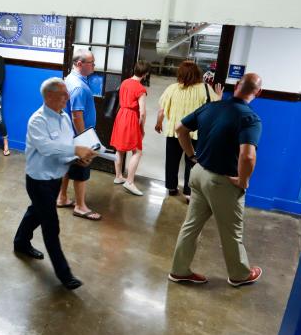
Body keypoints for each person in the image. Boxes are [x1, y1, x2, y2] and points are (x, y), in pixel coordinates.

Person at [168, 73, 264, 288]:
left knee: (191, 226)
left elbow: (180, 130)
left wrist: (192, 156)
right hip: (223, 182)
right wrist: (244, 181)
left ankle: (179, 270)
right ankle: (240, 275)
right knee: (231, 233)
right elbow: (247, 155)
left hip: (198, 173)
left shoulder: (211, 107)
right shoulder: (250, 118)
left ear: (237, 85)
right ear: (259, 92)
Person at [13, 78, 99, 290]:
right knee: (51, 225)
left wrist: (77, 158)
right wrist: (74, 151)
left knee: (36, 211)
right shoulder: (37, 121)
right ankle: (64, 274)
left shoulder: (64, 117)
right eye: (63, 95)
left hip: (55, 179)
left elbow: (67, 146)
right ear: (49, 97)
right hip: (39, 180)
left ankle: (20, 242)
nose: (68, 98)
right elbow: (47, 149)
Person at [155, 60, 222, 197]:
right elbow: (215, 108)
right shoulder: (205, 89)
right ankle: (188, 192)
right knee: (192, 162)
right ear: (197, 73)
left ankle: (172, 188)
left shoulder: (172, 88)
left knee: (172, 161)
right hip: (195, 134)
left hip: (174, 132)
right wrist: (219, 96)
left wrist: (159, 123)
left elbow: (161, 110)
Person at [56, 48, 100, 220]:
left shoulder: (71, 79)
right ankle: (80, 207)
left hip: (69, 135)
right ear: (79, 64)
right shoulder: (78, 87)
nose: (94, 66)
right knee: (82, 168)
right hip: (78, 136)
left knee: (69, 166)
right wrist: (84, 141)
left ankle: (62, 197)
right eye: (92, 63)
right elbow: (76, 115)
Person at [110, 60, 151, 196]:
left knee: (120, 148)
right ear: (145, 74)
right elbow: (143, 112)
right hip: (131, 117)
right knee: (137, 151)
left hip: (121, 114)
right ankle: (130, 182)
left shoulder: (125, 82)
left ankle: (118, 176)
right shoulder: (141, 89)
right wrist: (142, 128)